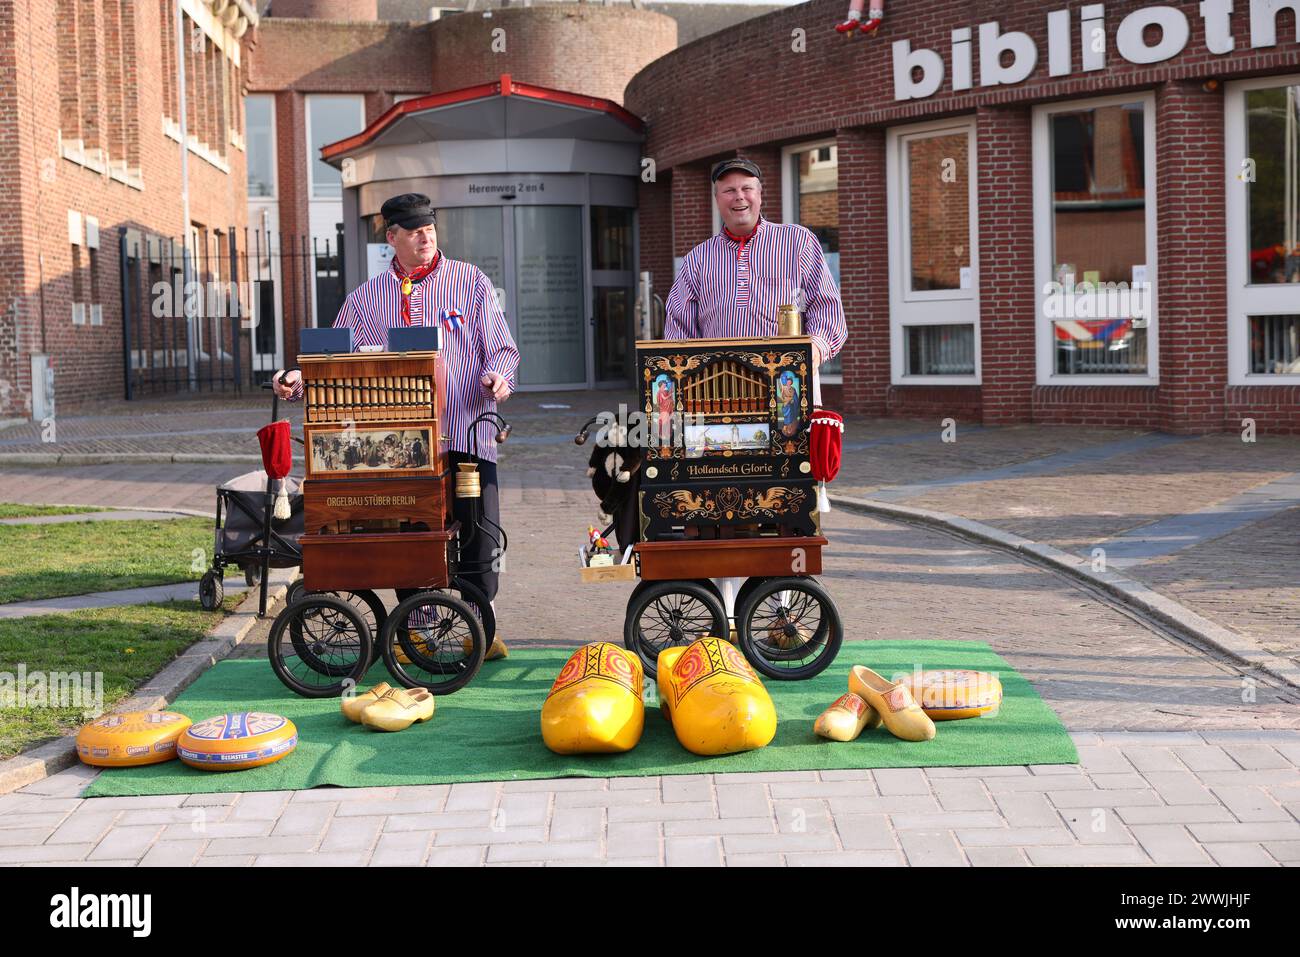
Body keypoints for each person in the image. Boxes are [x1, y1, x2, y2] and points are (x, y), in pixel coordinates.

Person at [272, 192, 519, 659]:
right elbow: (335, 360)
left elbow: (502, 349)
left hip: (466, 432)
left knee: (479, 531)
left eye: (430, 229)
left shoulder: (471, 282)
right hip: (401, 448)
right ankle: (418, 630)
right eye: (415, 232)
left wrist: (499, 380)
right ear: (393, 238)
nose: (426, 238)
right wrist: (297, 379)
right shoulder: (366, 298)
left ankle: (478, 623)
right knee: (413, 533)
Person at [664, 157, 847, 390]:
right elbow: (678, 330)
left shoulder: (798, 242)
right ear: (717, 199)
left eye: (746, 188)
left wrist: (814, 350)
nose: (739, 196)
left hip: (788, 389)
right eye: (729, 190)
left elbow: (826, 309)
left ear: (759, 195)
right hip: (719, 393)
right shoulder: (697, 260)